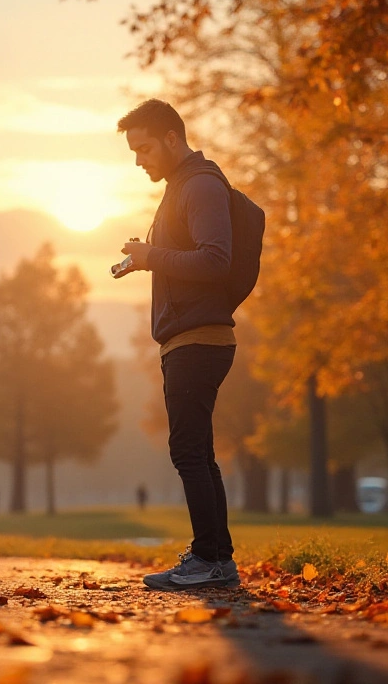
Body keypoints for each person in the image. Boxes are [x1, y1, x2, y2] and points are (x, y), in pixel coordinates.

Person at [115, 99, 241, 591]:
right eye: (133, 151)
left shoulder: (201, 185)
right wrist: (145, 259)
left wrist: (152, 257)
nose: (139, 159)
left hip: (199, 339)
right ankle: (216, 558)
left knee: (188, 451)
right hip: (187, 338)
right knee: (198, 452)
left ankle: (209, 560)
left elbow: (216, 260)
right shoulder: (181, 188)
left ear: (172, 138)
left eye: (144, 148)